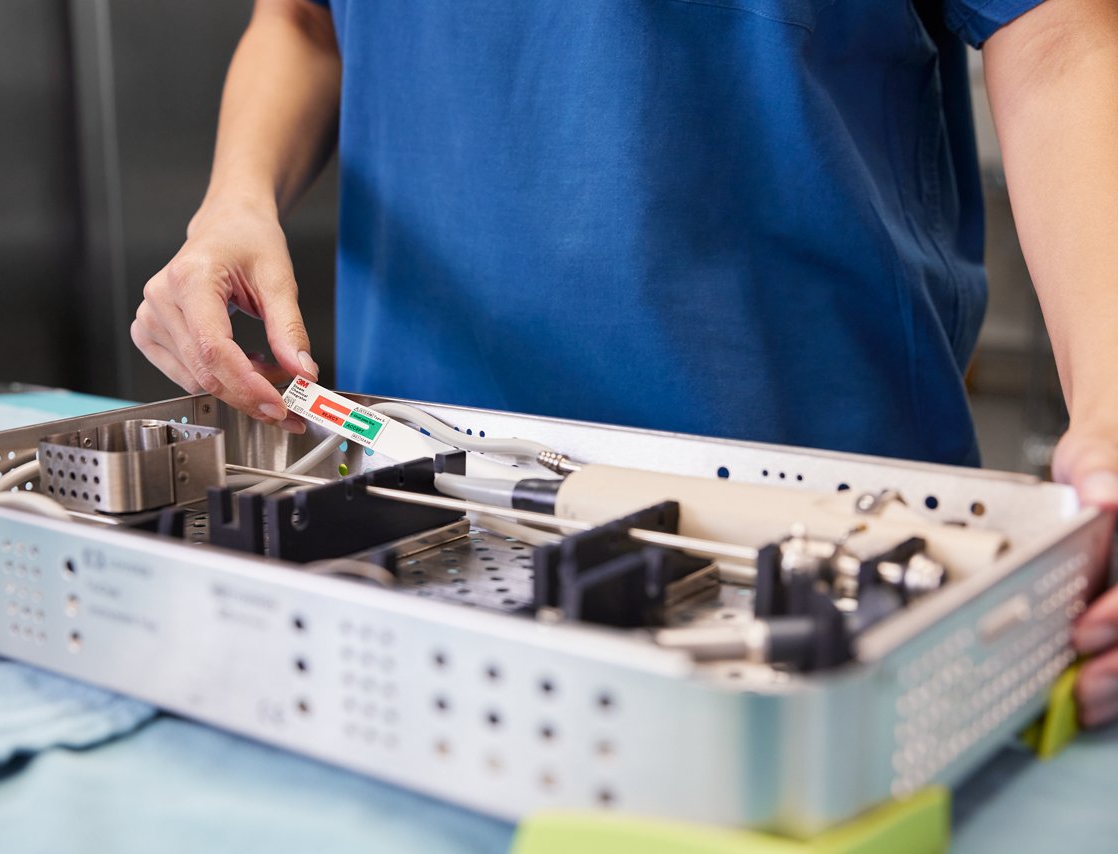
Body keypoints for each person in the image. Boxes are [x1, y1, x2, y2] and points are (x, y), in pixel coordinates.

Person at [131, 0, 1118, 725]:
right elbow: (301, 21)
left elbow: (1056, 32)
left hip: (827, 544)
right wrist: (232, 200)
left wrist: (1109, 407)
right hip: (404, 527)